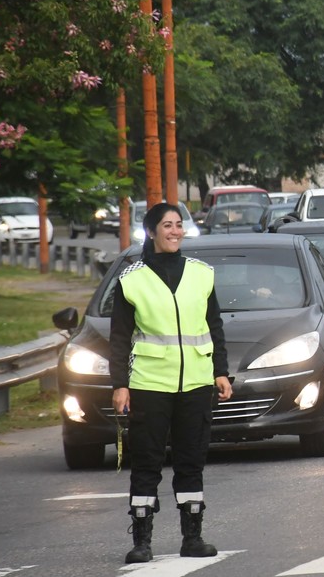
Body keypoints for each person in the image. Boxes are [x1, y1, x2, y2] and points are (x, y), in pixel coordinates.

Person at [109, 203, 231, 564]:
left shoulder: (201, 274)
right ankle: (142, 541)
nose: (175, 231)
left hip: (196, 383)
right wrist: (120, 384)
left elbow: (214, 326)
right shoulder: (132, 278)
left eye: (179, 225)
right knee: (146, 462)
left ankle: (192, 538)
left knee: (191, 461)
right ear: (151, 231)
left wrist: (220, 372)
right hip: (149, 384)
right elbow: (120, 337)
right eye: (167, 225)